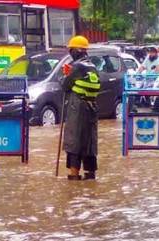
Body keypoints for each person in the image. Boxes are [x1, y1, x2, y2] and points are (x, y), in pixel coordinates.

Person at [61, 35, 100, 180]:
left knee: (74, 141)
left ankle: (74, 174)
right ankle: (90, 174)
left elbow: (65, 86)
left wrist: (65, 75)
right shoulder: (93, 66)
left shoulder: (76, 66)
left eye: (71, 50)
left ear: (77, 50)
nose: (70, 53)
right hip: (92, 108)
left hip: (77, 108)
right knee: (89, 141)